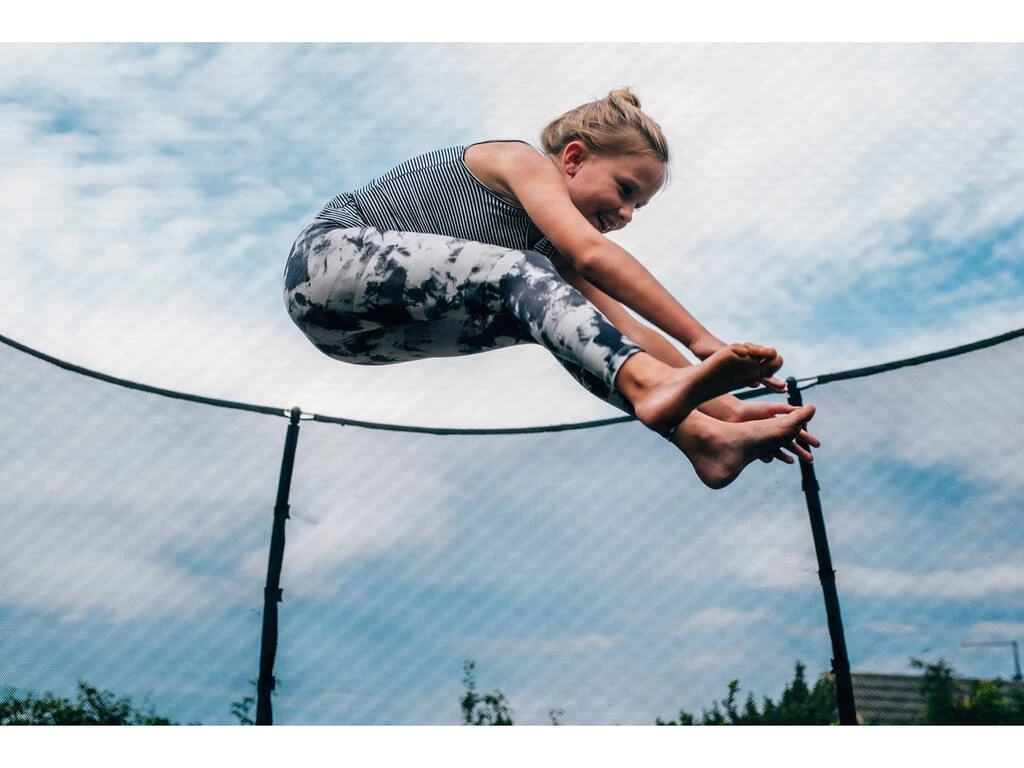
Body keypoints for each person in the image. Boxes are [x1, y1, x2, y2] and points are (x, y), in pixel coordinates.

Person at [284, 88, 819, 489]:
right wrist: (703, 342)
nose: (626, 214)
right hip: (326, 265)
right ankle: (658, 396)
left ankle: (706, 440)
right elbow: (593, 254)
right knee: (523, 272)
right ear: (574, 158)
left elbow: (625, 332)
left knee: (567, 324)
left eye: (638, 206)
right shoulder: (518, 162)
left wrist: (729, 408)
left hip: (361, 339)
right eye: (625, 190)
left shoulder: (547, 263)